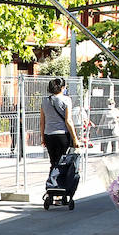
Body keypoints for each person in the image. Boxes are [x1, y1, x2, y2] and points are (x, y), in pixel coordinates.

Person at [39, 78, 79, 207]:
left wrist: (43, 137)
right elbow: (68, 121)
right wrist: (75, 138)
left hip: (49, 135)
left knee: (53, 162)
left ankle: (52, 189)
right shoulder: (66, 100)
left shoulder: (45, 101)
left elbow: (42, 121)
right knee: (63, 163)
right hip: (62, 135)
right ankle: (62, 190)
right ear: (62, 87)